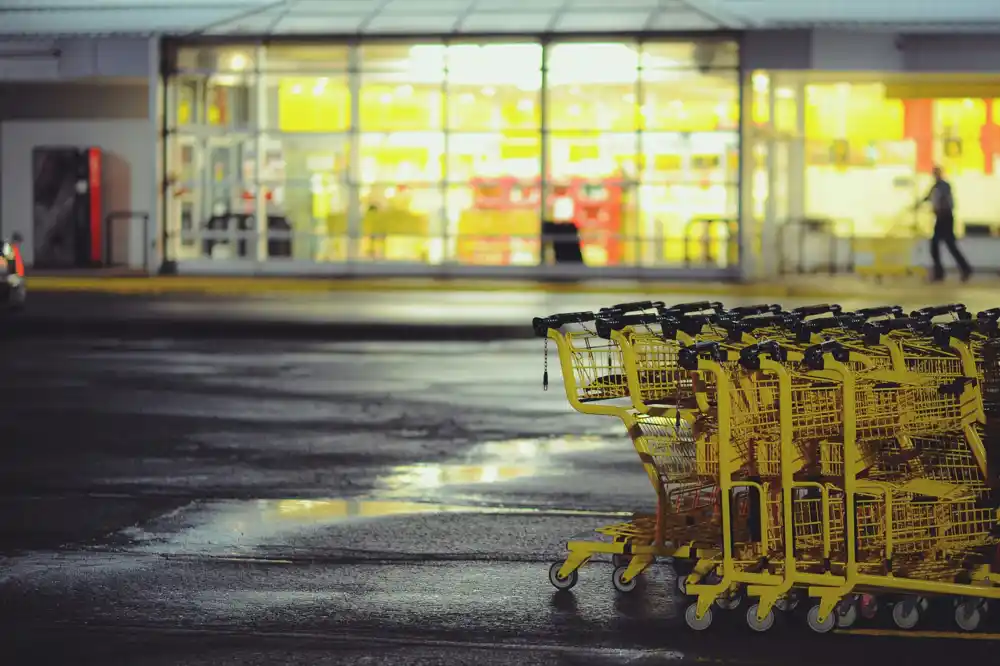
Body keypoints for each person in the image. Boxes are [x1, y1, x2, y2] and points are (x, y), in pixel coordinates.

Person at [916, 166, 972, 282]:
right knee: (947, 245)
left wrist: (938, 208)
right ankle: (964, 269)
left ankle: (941, 273)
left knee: (937, 245)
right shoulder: (936, 186)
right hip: (942, 218)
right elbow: (928, 197)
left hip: (944, 218)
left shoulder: (943, 186)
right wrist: (919, 204)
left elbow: (944, 200)